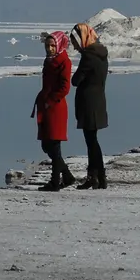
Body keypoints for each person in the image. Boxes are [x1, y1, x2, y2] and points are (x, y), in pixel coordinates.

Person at [32, 30, 76, 191]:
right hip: (46, 105)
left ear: (58, 45)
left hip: (55, 107)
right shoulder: (49, 60)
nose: (49, 48)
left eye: (52, 45)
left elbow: (65, 87)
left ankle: (55, 181)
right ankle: (68, 176)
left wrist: (50, 101)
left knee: (54, 145)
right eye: (47, 45)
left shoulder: (64, 61)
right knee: (46, 145)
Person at [70, 22, 109, 189]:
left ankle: (97, 177)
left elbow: (76, 80)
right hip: (98, 101)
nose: (74, 46)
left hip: (89, 103)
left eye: (75, 41)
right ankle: (97, 177)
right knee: (92, 140)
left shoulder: (89, 56)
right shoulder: (101, 54)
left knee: (91, 141)